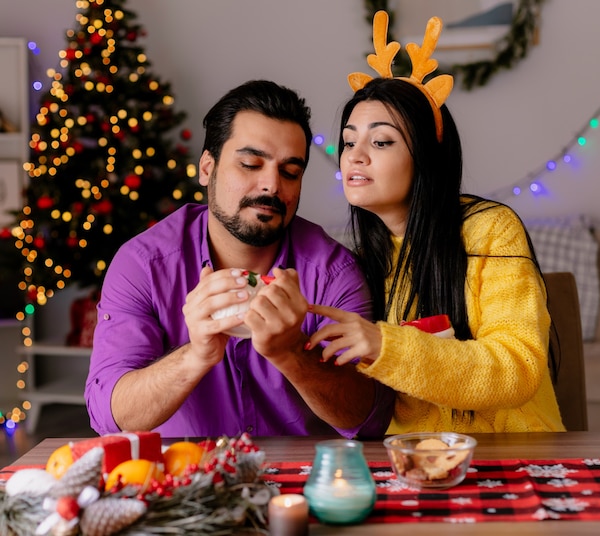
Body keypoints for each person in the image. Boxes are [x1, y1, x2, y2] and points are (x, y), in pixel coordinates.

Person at [85, 79, 394, 438]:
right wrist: (196, 355)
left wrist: (292, 353)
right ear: (206, 168)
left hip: (299, 484)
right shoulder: (144, 264)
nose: (271, 186)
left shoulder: (332, 271)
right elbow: (110, 416)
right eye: (250, 164)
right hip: (187, 481)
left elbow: (368, 419)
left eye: (290, 172)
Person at [307, 12, 565, 433]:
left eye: (381, 141)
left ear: (426, 156)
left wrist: (384, 344)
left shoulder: (490, 229)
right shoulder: (355, 262)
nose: (354, 155)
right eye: (349, 140)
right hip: (411, 466)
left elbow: (516, 368)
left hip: (513, 458)